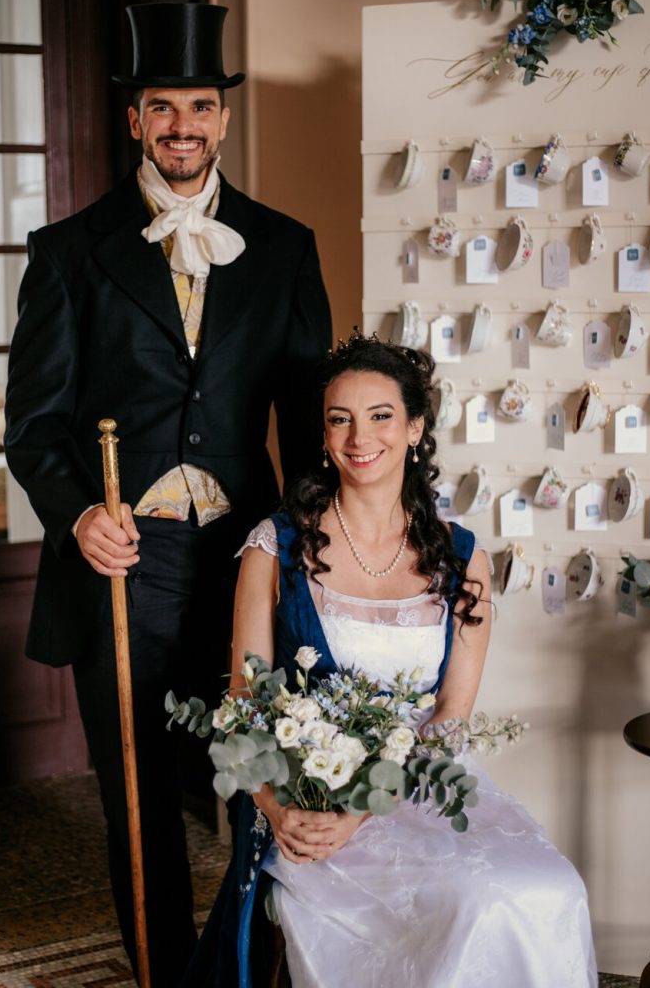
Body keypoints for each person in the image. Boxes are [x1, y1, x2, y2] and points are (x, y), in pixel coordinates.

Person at [4, 2, 331, 987]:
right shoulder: (71, 251)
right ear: (137, 120)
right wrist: (77, 513)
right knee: (138, 792)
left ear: (223, 119)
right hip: (128, 564)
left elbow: (311, 419)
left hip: (247, 562)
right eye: (162, 107)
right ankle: (159, 972)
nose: (182, 125)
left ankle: (244, 964)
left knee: (255, 783)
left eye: (200, 106)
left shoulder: (284, 247)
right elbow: (33, 426)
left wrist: (321, 543)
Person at [184, 331, 597, 988]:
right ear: (322, 435)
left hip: (423, 783)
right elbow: (241, 705)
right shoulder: (274, 548)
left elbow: (452, 715)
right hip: (309, 794)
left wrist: (369, 805)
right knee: (470, 906)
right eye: (339, 419)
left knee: (547, 891)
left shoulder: (464, 559)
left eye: (380, 416)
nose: (358, 437)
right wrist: (276, 808)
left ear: (415, 427)